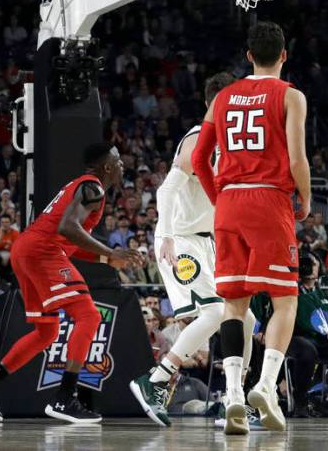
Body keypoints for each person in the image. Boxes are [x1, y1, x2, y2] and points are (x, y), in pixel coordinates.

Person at [0, 143, 141, 424]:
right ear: (107, 166)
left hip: (27, 250)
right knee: (89, 316)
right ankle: (64, 398)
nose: (122, 165)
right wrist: (110, 251)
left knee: (46, 332)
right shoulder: (94, 188)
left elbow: (70, 239)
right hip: (42, 252)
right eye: (118, 161)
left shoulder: (83, 186)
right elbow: (67, 228)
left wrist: (107, 261)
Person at [192, 21, 309, 435]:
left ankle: (234, 396)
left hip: (229, 206)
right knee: (285, 299)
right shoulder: (290, 95)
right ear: (283, 54)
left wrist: (218, 198)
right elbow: (296, 158)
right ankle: (265, 385)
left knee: (234, 306)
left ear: (247, 56)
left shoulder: (222, 97)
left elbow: (199, 158)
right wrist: (306, 198)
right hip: (268, 201)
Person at [130, 72, 256, 429]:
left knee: (243, 318)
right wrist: (167, 234)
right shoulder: (199, 137)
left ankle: (234, 398)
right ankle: (155, 380)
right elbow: (168, 188)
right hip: (180, 239)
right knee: (217, 313)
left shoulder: (232, 143)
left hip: (207, 241)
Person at [258, 255, 328, 418]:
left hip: (322, 341)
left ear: (319, 268)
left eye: (312, 264)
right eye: (305, 264)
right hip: (294, 339)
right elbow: (275, 316)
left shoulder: (325, 296)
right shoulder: (290, 292)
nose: (309, 267)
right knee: (308, 350)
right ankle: (300, 400)